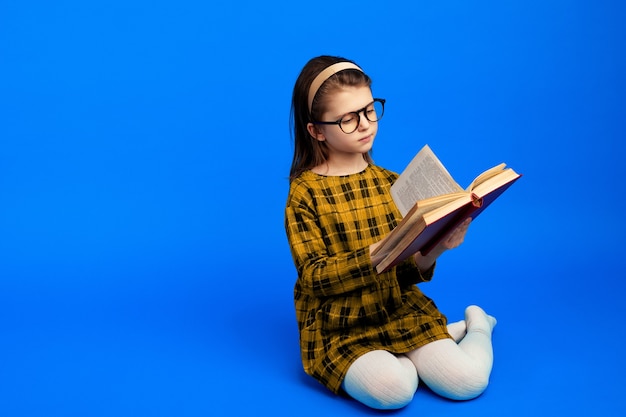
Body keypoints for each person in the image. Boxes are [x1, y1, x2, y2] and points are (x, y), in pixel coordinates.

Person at [284, 55, 497, 410]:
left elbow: (408, 269)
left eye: (369, 110)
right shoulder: (304, 194)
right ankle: (435, 341)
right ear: (317, 131)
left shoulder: (392, 183)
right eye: (348, 119)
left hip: (396, 309)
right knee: (395, 391)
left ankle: (477, 324)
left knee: (468, 382)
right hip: (340, 325)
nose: (366, 124)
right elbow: (313, 277)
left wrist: (439, 247)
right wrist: (375, 254)